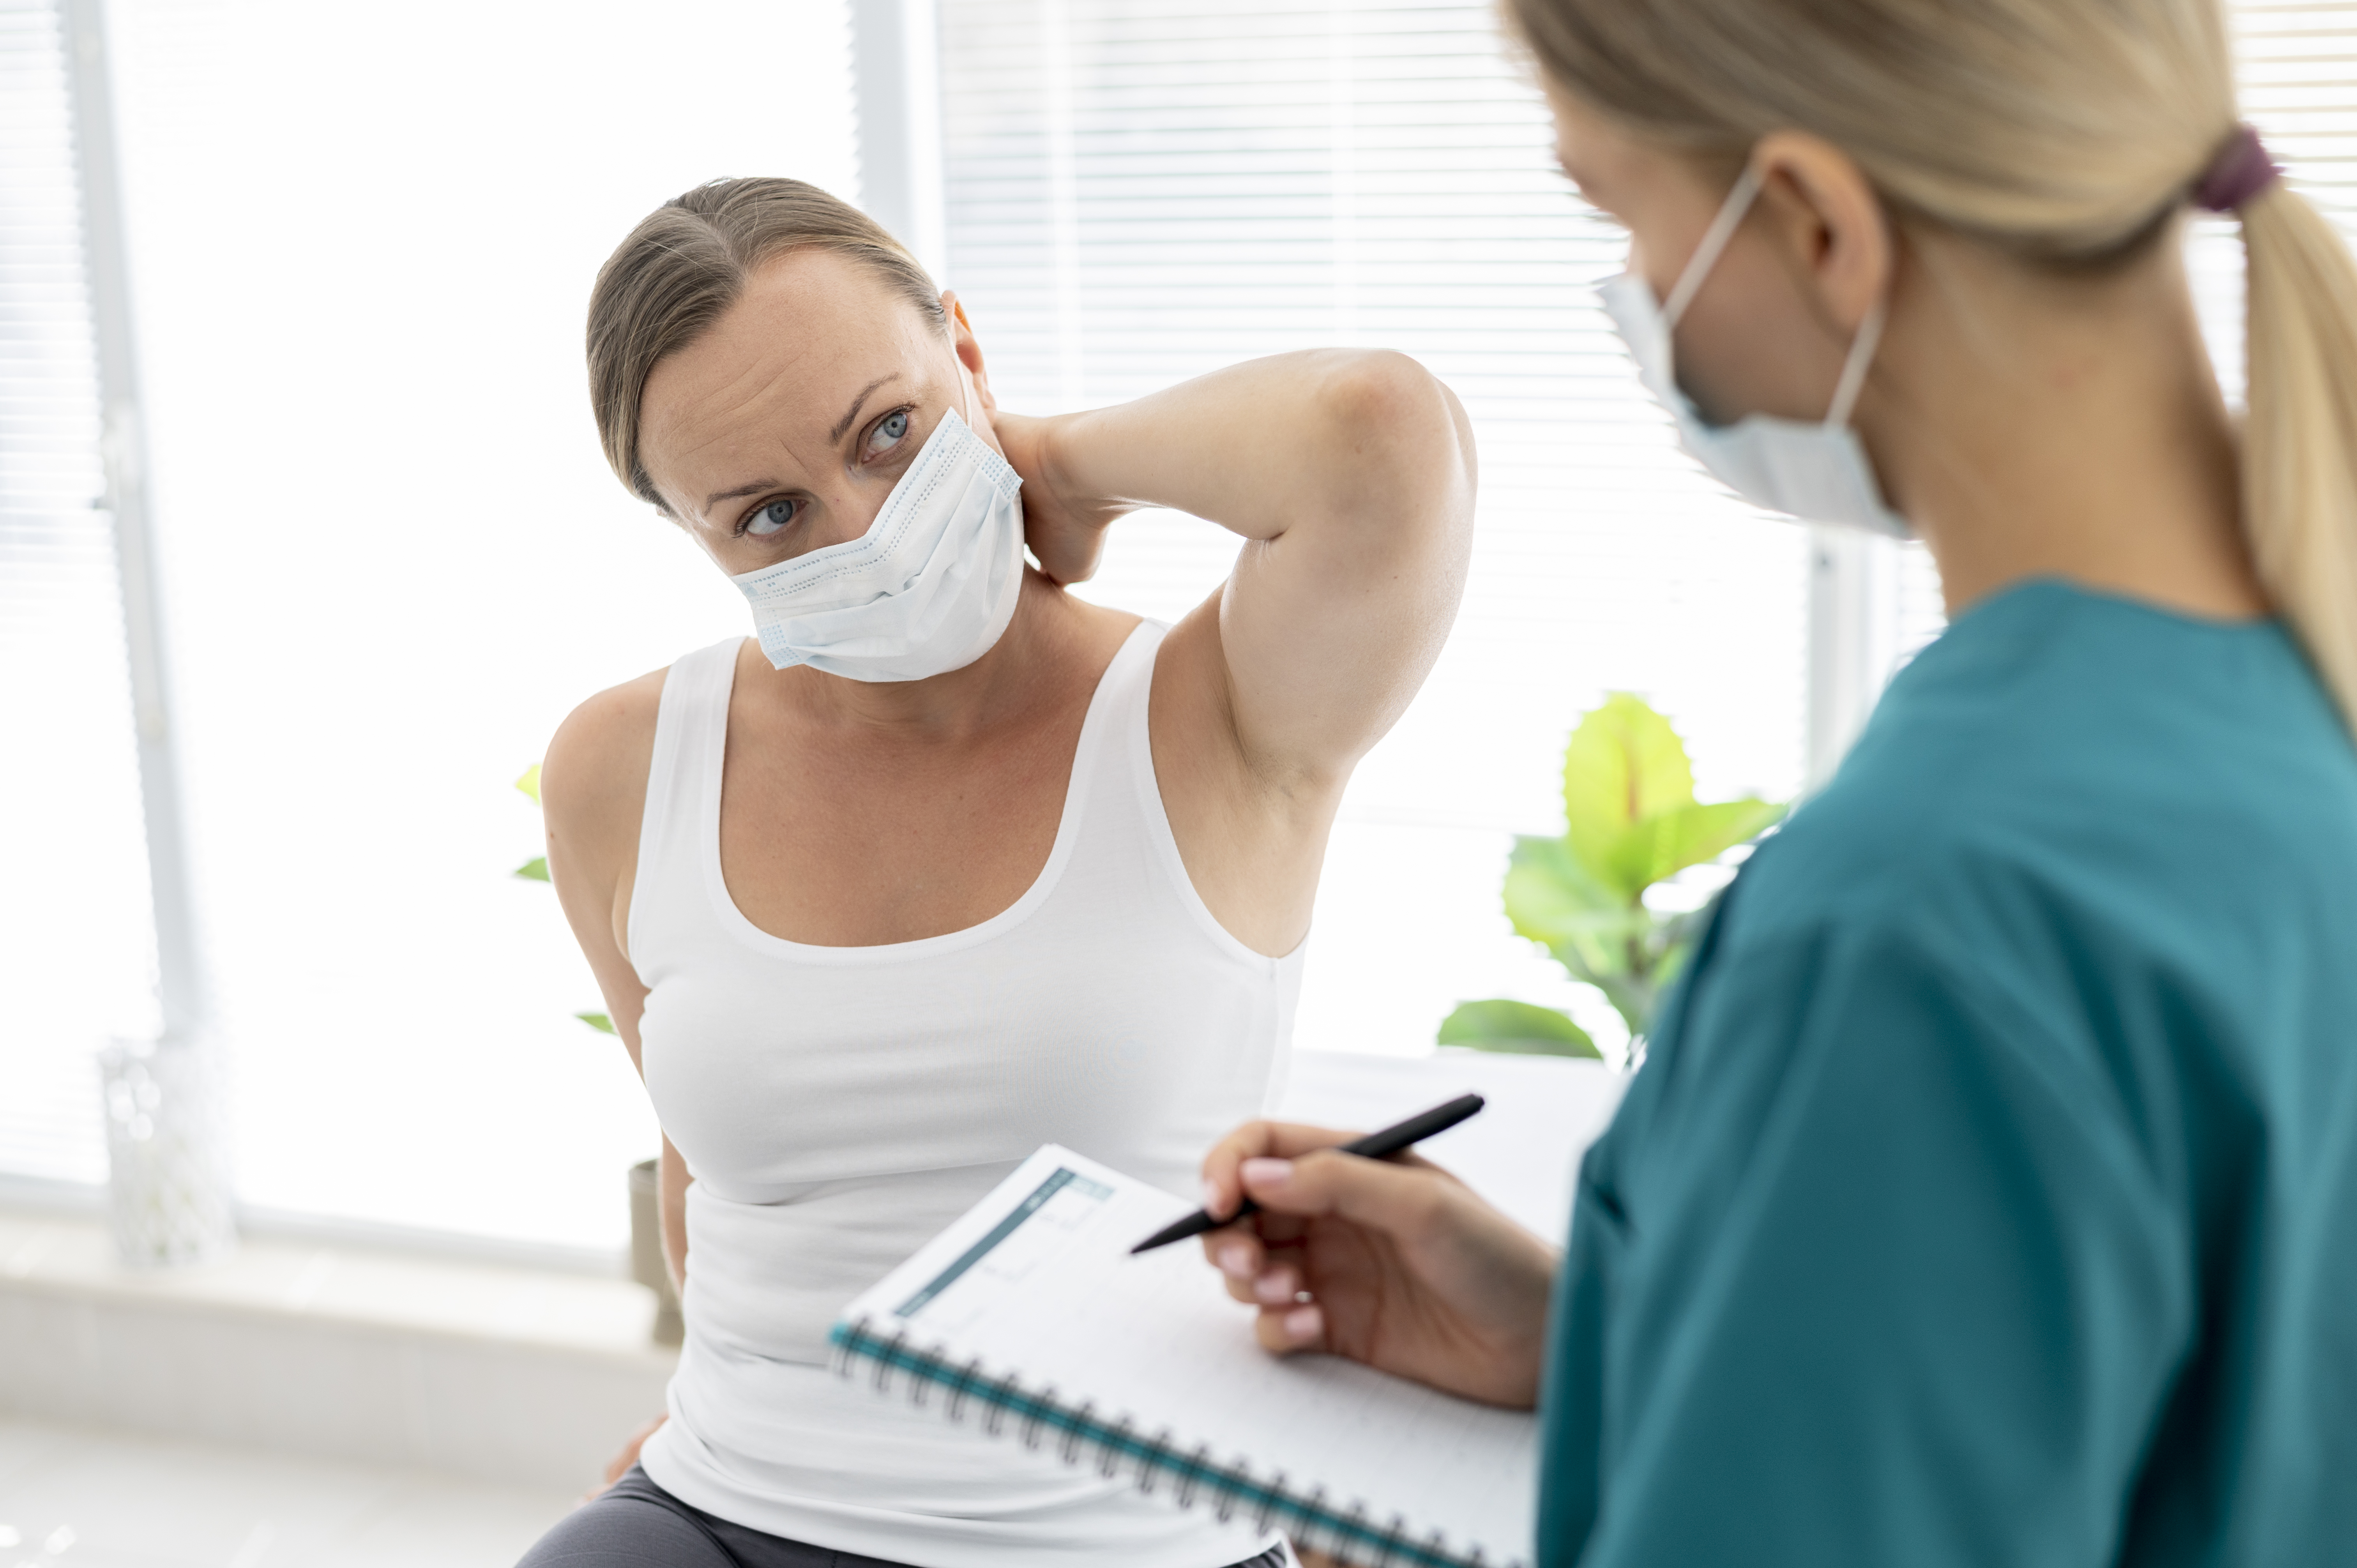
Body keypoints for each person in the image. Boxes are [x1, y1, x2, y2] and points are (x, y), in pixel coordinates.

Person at [1197, 2, 2357, 1564]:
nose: (1635, 294)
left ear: (1816, 224)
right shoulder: (2286, 687)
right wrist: (1612, 1333)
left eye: (1619, 208)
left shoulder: (1929, 922)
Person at [520, 179, 1474, 1568]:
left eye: (890, 432)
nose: (865, 531)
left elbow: (1376, 436)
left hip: (1131, 1537)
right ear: (699, 542)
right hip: (735, 1506)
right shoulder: (621, 766)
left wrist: (1064, 466)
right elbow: (703, 1190)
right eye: (771, 515)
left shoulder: (1219, 715)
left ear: (966, 351)